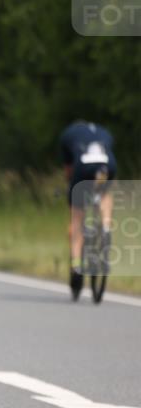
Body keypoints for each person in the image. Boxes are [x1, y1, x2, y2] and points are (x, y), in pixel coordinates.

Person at [59, 120, 117, 300]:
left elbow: (69, 170)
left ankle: (76, 266)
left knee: (77, 219)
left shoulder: (67, 135)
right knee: (104, 193)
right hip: (107, 165)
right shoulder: (104, 131)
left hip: (83, 167)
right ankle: (106, 226)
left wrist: (70, 187)